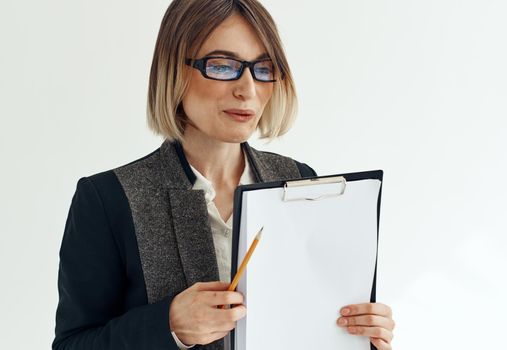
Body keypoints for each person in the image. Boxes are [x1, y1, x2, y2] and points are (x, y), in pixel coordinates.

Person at [52, 0, 395, 349]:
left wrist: (359, 334)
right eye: (222, 65)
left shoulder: (299, 181)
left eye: (263, 68)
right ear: (174, 70)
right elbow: (71, 344)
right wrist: (168, 325)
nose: (247, 89)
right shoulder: (108, 198)